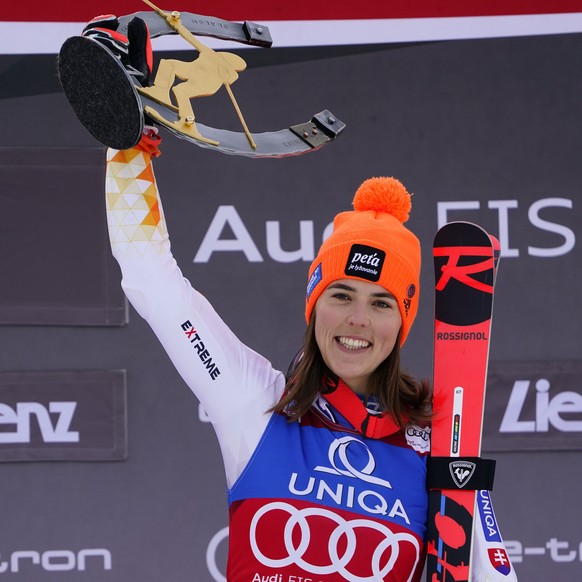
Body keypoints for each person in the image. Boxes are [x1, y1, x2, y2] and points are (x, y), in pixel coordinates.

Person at [93, 17, 517, 582]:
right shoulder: (254, 404)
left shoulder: (435, 444)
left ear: (403, 322)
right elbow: (150, 278)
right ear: (314, 302)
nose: (357, 320)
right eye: (341, 294)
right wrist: (126, 144)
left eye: (381, 302)